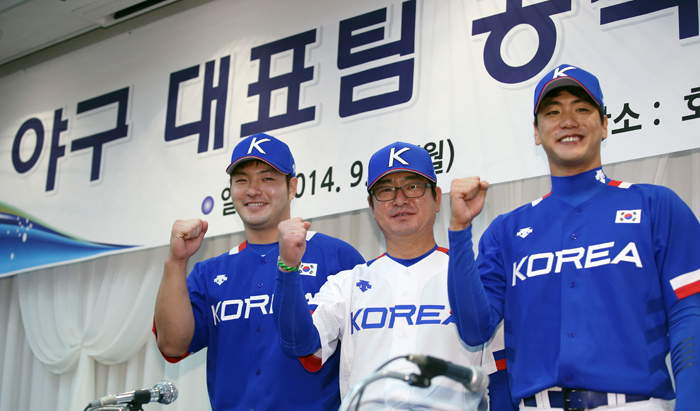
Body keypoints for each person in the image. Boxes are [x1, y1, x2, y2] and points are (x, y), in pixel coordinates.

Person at [447, 64, 700, 410]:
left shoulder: (656, 205)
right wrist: (459, 232)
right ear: (536, 132)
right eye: (553, 112)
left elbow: (690, 313)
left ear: (605, 124)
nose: (568, 121)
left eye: (582, 108)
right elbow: (475, 330)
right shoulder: (506, 230)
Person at [273, 141, 499, 411]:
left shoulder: (471, 275)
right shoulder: (348, 282)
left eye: (413, 186)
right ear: (371, 205)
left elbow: (498, 377)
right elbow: (300, 343)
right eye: (386, 190)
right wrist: (288, 268)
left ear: (437, 198)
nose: (400, 199)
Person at [153, 133, 364, 411]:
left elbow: (365, 351)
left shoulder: (337, 256)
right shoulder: (209, 271)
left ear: (292, 187)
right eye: (242, 180)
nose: (253, 190)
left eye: (267, 179)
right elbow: (172, 346)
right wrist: (176, 262)